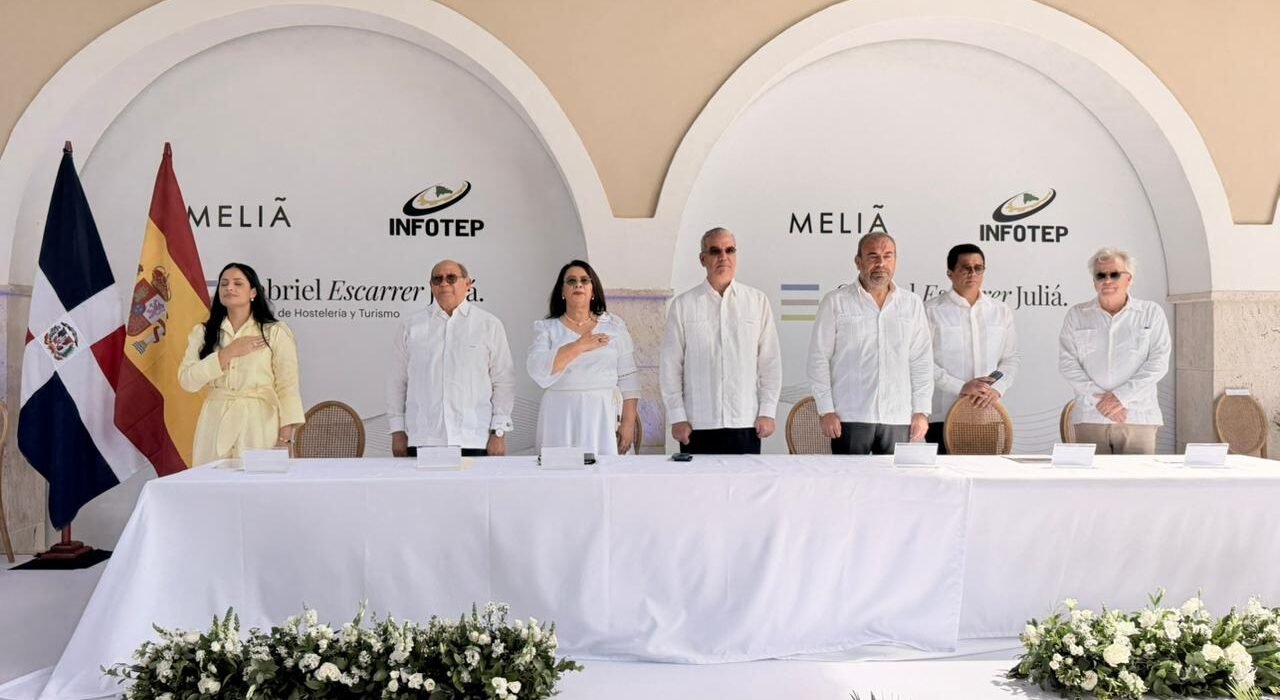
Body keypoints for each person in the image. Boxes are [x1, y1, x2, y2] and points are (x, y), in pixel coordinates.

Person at [807, 232, 933, 454]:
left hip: (898, 416)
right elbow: (818, 359)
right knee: (848, 477)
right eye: (873, 256)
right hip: (849, 416)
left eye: (888, 256)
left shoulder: (911, 304)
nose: (881, 263)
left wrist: (921, 411)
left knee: (894, 477)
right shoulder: (836, 302)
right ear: (858, 261)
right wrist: (826, 410)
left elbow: (921, 361)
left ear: (895, 260)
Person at [660, 227, 781, 454]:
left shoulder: (757, 302)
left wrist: (767, 411)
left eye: (729, 250)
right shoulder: (684, 305)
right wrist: (677, 416)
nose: (723, 257)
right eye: (715, 251)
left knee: (747, 479)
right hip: (697, 424)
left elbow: (769, 362)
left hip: (745, 421)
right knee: (698, 480)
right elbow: (671, 366)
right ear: (702, 259)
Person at [179, 262, 305, 465]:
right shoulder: (202, 333)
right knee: (212, 482)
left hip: (259, 424)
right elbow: (187, 380)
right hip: (214, 423)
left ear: (253, 292)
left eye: (238, 283)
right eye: (224, 284)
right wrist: (227, 353)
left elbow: (288, 387)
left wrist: (284, 439)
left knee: (257, 481)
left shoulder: (275, 332)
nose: (229, 288)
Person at [387, 259, 514, 458]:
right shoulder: (411, 326)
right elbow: (397, 381)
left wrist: (498, 431)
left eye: (451, 278)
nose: (444, 283)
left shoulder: (489, 325)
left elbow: (503, 381)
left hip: (474, 438)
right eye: (437, 279)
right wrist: (397, 430)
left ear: (468, 284)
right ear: (431, 286)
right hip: (422, 438)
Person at [1059, 247, 1170, 454]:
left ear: (1129, 279)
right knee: (1090, 476)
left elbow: (1159, 362)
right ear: (1094, 282)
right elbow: (1068, 364)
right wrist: (1101, 402)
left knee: (1138, 476)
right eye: (1101, 275)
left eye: (1115, 274)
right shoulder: (1077, 315)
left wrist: (1120, 398)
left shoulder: (1151, 313)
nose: (1107, 280)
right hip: (1091, 417)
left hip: (1137, 417)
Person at [527, 259, 640, 456]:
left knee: (604, 471)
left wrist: (628, 423)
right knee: (561, 469)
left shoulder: (614, 326)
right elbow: (538, 370)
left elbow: (629, 377)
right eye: (571, 281)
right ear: (562, 291)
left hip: (602, 413)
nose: (578, 285)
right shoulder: (547, 329)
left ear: (593, 290)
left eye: (584, 280)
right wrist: (579, 346)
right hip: (560, 414)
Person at [924, 243, 1020, 452]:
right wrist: (960, 387)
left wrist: (997, 389)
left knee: (986, 472)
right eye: (965, 268)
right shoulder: (931, 310)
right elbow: (922, 362)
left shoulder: (1000, 311)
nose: (972, 273)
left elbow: (1010, 359)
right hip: (944, 415)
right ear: (950, 273)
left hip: (988, 413)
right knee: (945, 473)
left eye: (978, 268)